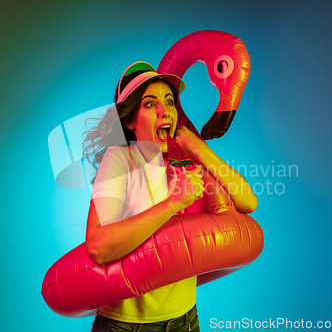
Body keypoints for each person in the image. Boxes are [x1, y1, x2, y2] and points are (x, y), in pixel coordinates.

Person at [83, 62, 257, 332]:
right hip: (126, 325)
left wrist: (199, 149)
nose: (165, 111)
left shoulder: (187, 164)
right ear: (130, 120)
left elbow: (248, 202)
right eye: (150, 104)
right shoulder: (120, 160)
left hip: (185, 320)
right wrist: (175, 202)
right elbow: (98, 246)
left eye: (169, 102)